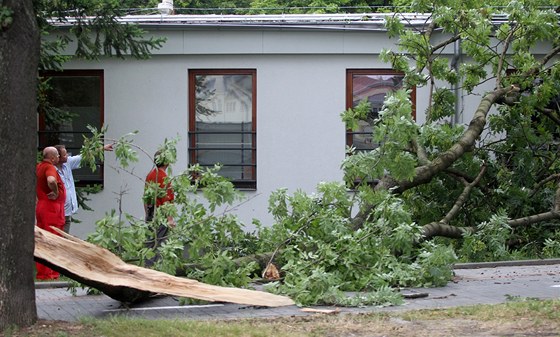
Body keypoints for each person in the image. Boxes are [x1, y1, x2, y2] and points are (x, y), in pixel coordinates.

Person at [54, 143, 113, 233]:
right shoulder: (52, 170)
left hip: (67, 210)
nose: (67, 156)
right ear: (58, 157)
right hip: (58, 211)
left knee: (65, 236)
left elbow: (83, 156)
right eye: (65, 154)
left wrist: (102, 148)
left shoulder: (67, 164)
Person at [35, 146, 67, 280]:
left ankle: (44, 271)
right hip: (52, 208)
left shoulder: (39, 166)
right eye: (58, 156)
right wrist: (55, 192)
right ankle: (49, 273)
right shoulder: (49, 167)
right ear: (53, 158)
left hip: (42, 206)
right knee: (52, 238)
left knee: (43, 238)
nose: (59, 158)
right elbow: (51, 180)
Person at [143, 150, 175, 266]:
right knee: (161, 244)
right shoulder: (163, 177)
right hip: (161, 215)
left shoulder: (150, 175)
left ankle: (148, 267)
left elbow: (145, 198)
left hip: (151, 213)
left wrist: (147, 214)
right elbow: (166, 200)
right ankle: (156, 270)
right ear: (166, 161)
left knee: (150, 243)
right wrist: (170, 219)